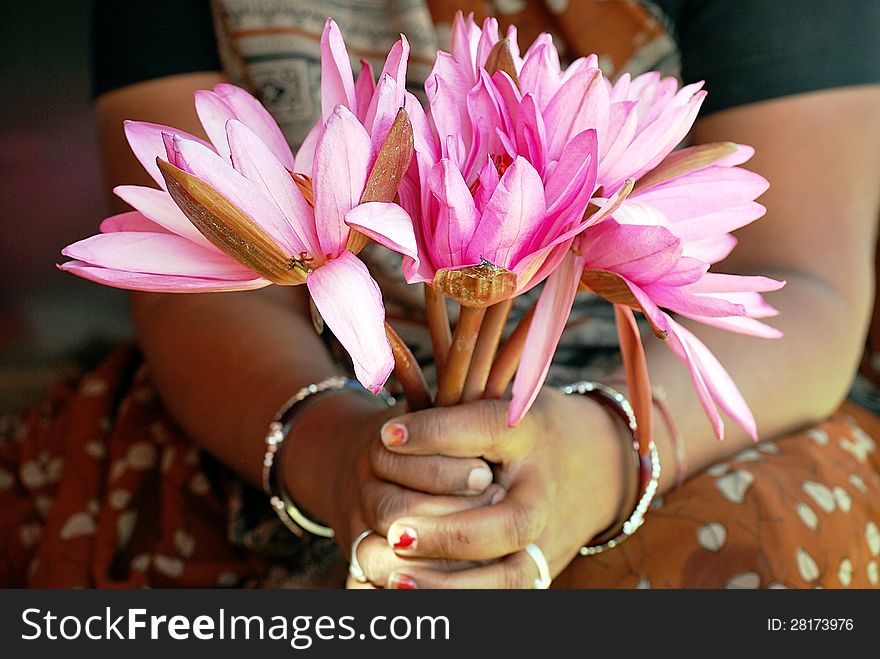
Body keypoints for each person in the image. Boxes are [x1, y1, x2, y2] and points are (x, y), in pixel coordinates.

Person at [2, 0, 878, 589]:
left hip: (675, 422)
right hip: (279, 400)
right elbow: (195, 254)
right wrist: (332, 454)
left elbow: (805, 280)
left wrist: (606, 458)